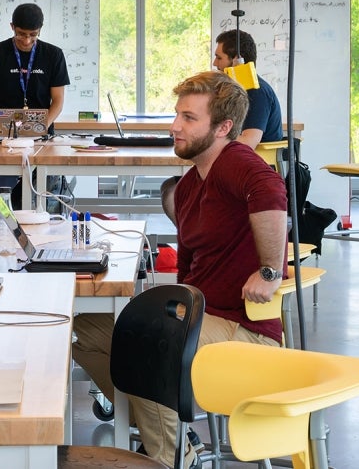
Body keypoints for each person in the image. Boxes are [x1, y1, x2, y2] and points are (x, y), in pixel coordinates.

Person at [72, 71, 287, 468]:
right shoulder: (189, 186)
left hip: (245, 329)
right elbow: (188, 272)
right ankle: (170, 435)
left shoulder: (237, 161)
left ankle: (168, 457)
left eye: (189, 118)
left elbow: (272, 190)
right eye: (177, 115)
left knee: (150, 344)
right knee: (86, 330)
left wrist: (271, 271)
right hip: (202, 317)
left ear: (223, 128)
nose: (175, 126)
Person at [160, 29, 284, 223]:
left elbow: (247, 143)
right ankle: (197, 242)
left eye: (219, 57)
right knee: (175, 188)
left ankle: (199, 242)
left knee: (172, 192)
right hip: (230, 168)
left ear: (237, 60)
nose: (214, 63)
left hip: (244, 175)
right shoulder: (235, 93)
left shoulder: (256, 93)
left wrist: (204, 149)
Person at [0, 3, 71, 217]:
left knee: (40, 210)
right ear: (12, 27)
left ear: (40, 30)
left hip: (42, 141)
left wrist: (40, 128)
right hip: (3, 143)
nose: (26, 41)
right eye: (21, 34)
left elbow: (57, 101)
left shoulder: (53, 55)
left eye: (32, 35)